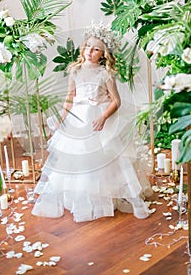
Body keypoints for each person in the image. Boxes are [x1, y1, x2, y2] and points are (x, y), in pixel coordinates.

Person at [32, 23, 152, 222]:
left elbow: (116, 101)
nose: (90, 51)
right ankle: (81, 198)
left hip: (98, 117)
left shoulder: (105, 74)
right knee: (77, 159)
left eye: (96, 49)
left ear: (103, 54)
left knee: (105, 158)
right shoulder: (75, 71)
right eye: (88, 46)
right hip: (77, 118)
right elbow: (70, 97)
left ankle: (108, 196)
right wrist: (61, 118)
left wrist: (103, 116)